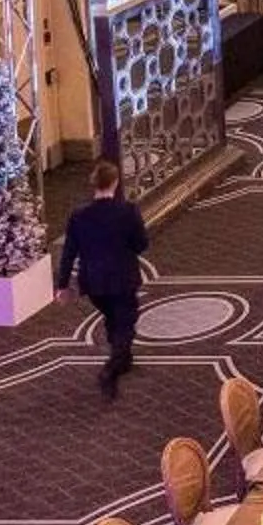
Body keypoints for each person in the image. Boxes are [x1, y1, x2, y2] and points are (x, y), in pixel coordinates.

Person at [57, 159, 150, 399]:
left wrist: (62, 285)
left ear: (94, 184)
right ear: (115, 182)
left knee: (112, 317)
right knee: (126, 321)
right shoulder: (128, 211)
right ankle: (111, 369)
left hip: (94, 282)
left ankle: (124, 358)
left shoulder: (79, 216)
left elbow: (69, 252)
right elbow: (141, 244)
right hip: (122, 278)